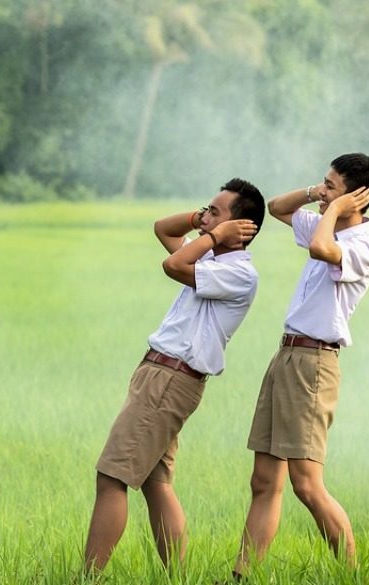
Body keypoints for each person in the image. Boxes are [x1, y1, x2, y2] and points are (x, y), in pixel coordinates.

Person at [84, 178, 265, 573]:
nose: (205, 219)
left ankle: (86, 578)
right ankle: (179, 577)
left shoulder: (238, 273)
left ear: (241, 227)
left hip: (170, 379)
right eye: (206, 210)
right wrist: (204, 220)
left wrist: (214, 234)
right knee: (155, 482)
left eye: (216, 212)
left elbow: (172, 264)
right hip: (160, 375)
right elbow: (163, 229)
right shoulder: (212, 259)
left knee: (112, 477)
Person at [230, 153, 369, 579]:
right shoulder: (325, 222)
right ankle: (243, 575)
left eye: (332, 185)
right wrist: (320, 195)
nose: (322, 191)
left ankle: (351, 574)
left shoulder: (362, 247)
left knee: (307, 485)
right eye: (324, 183)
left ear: (355, 198)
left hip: (315, 363)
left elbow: (320, 247)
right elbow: (278, 207)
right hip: (287, 356)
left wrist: (333, 208)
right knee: (264, 481)